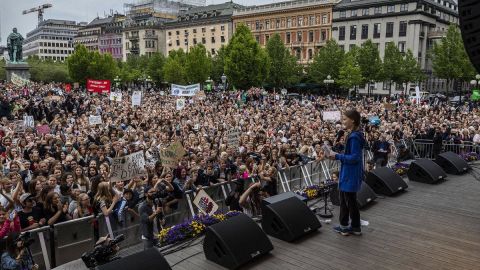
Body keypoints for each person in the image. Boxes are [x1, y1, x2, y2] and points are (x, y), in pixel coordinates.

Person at [328, 110, 365, 236]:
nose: (342, 121)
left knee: (345, 201)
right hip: (351, 173)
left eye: (344, 119)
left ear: (352, 120)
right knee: (351, 201)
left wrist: (337, 156)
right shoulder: (356, 135)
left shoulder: (354, 137)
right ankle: (355, 227)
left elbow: (354, 158)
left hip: (350, 174)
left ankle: (344, 227)